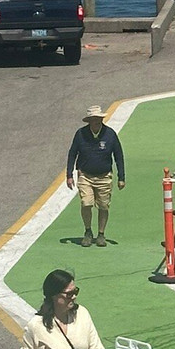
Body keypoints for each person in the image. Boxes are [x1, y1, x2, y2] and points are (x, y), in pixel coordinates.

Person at [66, 105, 125, 248]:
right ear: (89, 121)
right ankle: (87, 232)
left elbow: (118, 155)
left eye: (98, 119)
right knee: (86, 203)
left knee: (103, 206)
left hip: (104, 176)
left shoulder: (110, 134)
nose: (96, 121)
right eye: (93, 119)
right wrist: (69, 175)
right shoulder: (80, 134)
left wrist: (121, 177)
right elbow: (72, 153)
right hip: (85, 175)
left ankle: (101, 234)